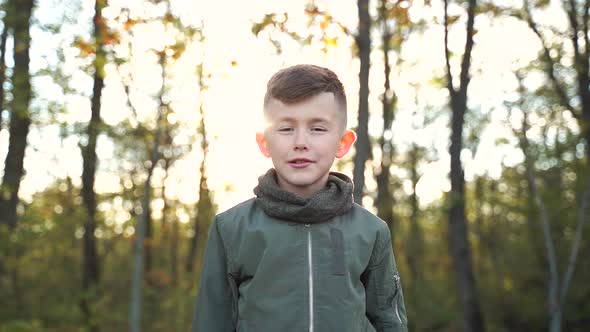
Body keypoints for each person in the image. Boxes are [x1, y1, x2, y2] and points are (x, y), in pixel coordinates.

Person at [191, 64, 408, 332]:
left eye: (317, 129)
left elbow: (389, 320)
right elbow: (211, 321)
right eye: (286, 128)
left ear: (342, 143)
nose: (300, 142)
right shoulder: (232, 228)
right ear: (264, 142)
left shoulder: (371, 231)